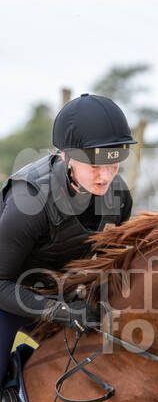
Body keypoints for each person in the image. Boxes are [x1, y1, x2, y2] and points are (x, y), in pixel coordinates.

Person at [0, 93, 137, 386]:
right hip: (6, 297)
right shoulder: (30, 201)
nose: (105, 176)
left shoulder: (119, 198)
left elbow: (108, 267)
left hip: (56, 295)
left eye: (114, 165)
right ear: (66, 156)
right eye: (95, 166)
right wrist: (59, 310)